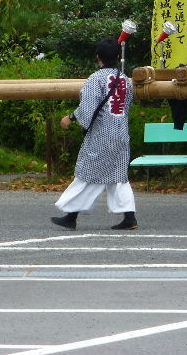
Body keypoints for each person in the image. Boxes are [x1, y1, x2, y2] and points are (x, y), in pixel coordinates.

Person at [51, 37, 137, 231]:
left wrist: (71, 117)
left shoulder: (95, 79)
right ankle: (129, 217)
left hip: (102, 133)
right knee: (118, 174)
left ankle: (71, 216)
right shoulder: (125, 79)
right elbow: (127, 104)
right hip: (121, 132)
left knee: (88, 172)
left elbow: (88, 107)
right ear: (118, 57)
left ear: (98, 57)